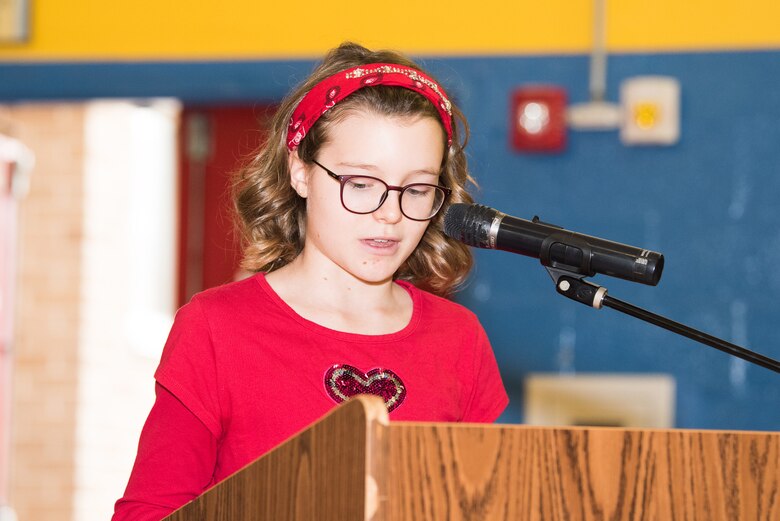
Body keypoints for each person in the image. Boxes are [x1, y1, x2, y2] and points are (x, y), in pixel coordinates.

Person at [112, 41, 508, 520]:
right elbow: (149, 512)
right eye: (361, 184)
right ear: (301, 171)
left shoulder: (459, 339)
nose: (389, 215)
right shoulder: (215, 328)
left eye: (417, 189)